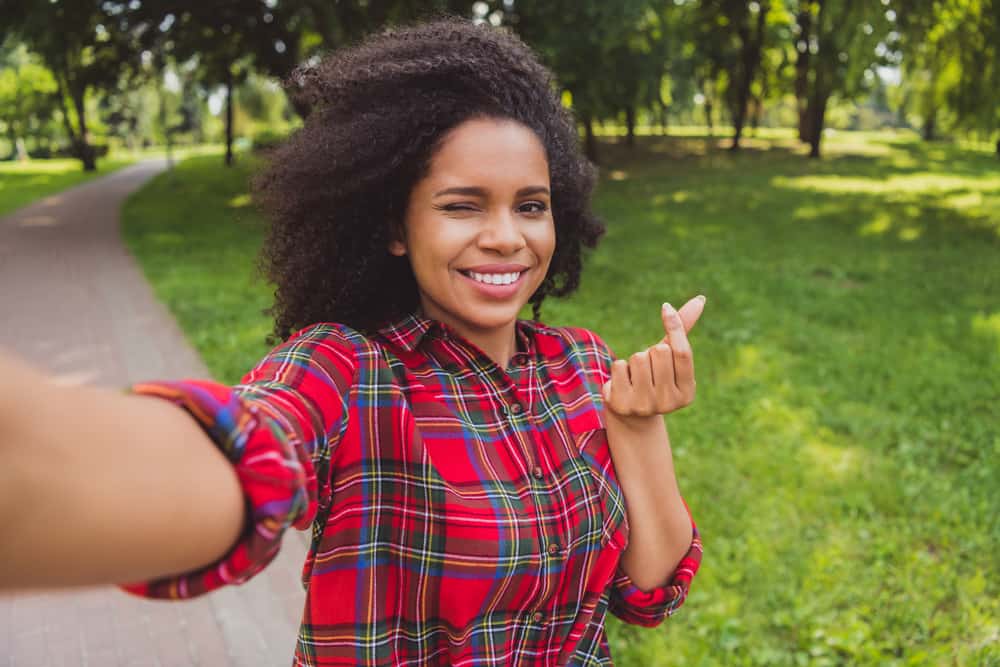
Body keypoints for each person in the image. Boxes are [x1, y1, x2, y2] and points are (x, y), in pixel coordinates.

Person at [0, 17, 703, 667]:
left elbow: (645, 593)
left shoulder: (577, 363)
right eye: (462, 205)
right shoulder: (348, 370)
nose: (506, 236)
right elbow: (245, 448)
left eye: (531, 205)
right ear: (396, 228)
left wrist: (638, 427)